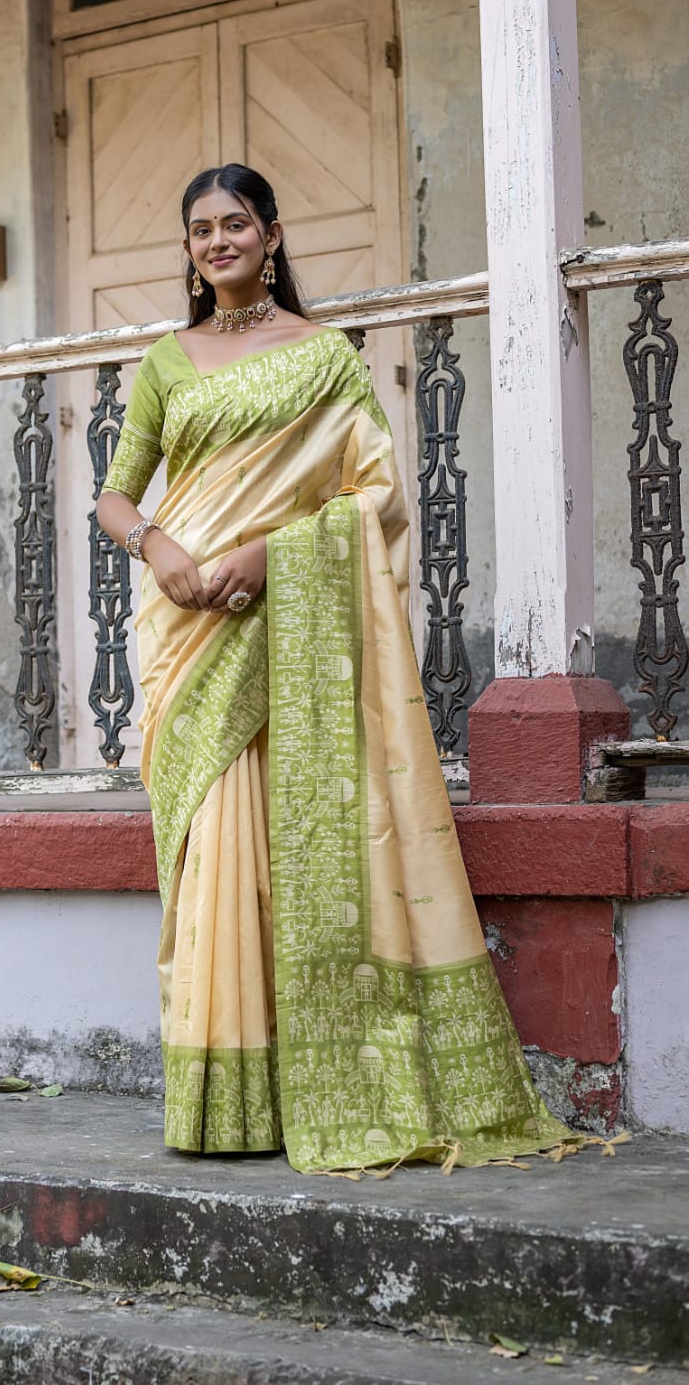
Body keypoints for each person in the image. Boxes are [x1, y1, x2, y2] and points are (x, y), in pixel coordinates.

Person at [95, 163, 573, 1173]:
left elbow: (376, 498)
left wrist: (263, 558)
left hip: (285, 619)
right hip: (188, 633)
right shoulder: (165, 363)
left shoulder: (323, 360)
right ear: (188, 250)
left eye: (233, 224)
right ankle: (225, 1101)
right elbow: (115, 496)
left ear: (271, 235)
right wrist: (162, 549)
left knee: (295, 853)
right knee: (207, 852)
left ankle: (313, 1084)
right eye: (198, 230)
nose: (215, 241)